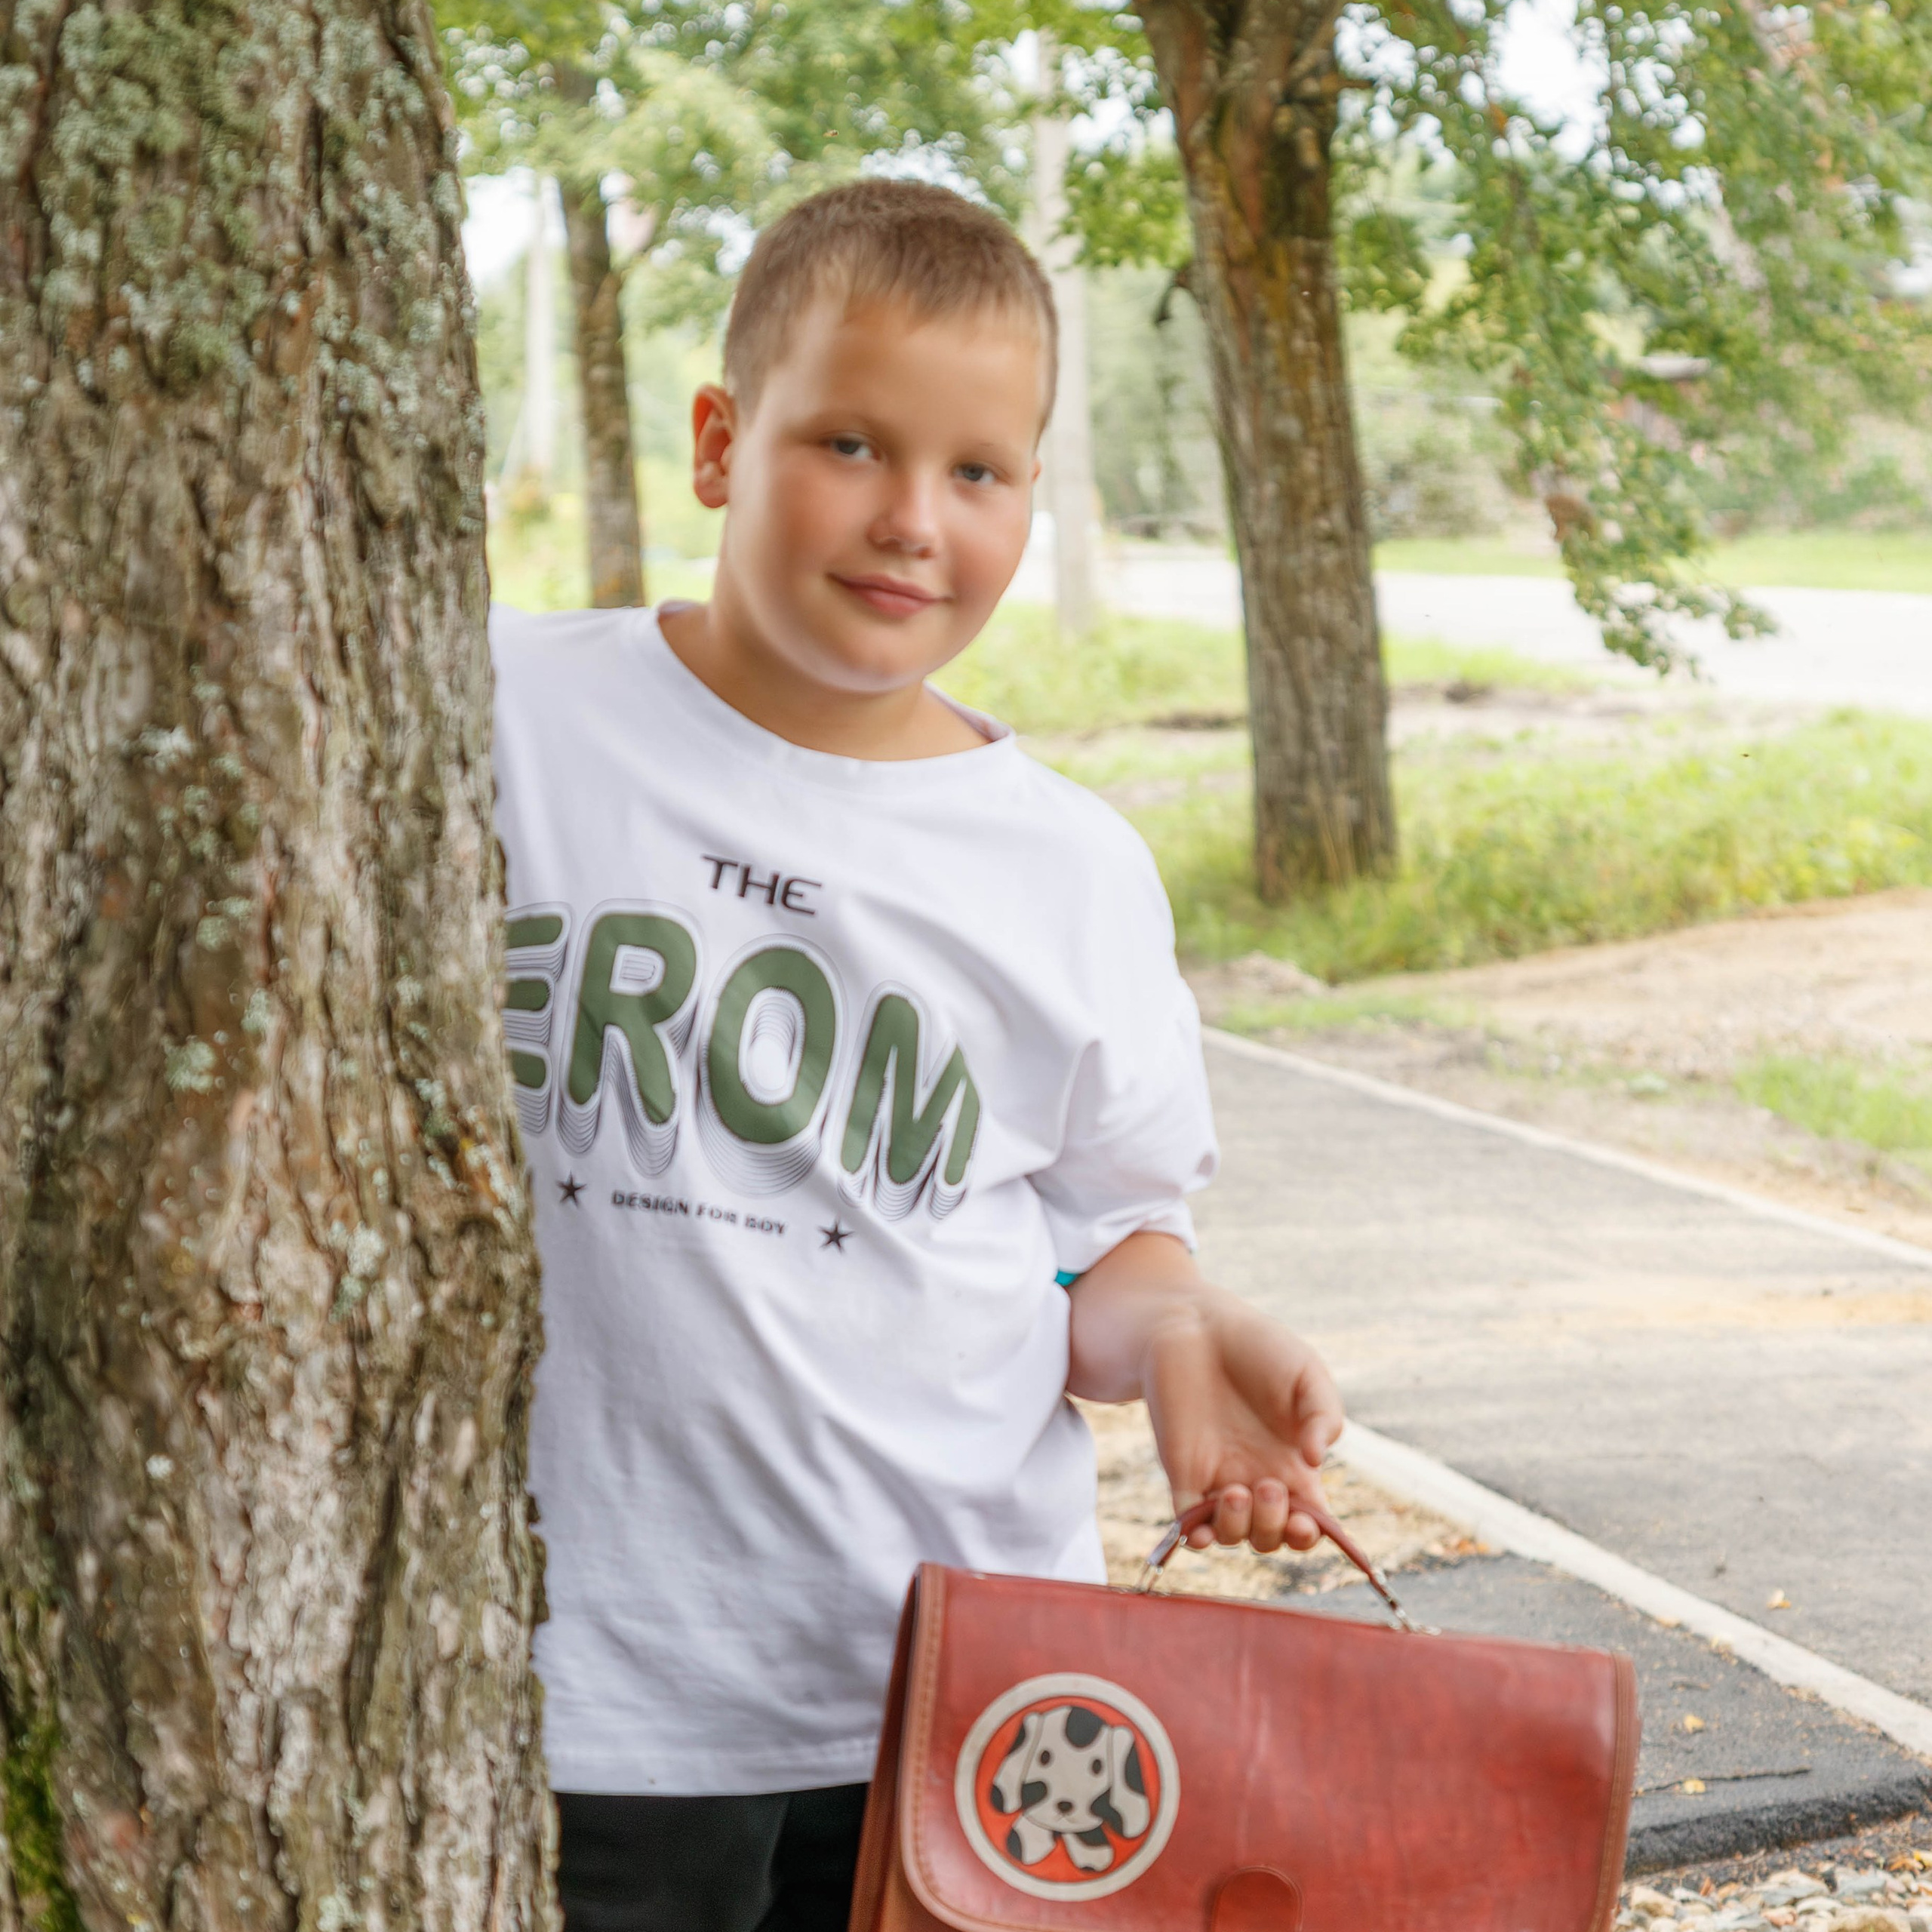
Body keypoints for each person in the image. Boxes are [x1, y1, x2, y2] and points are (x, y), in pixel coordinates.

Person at [489, 178, 1345, 1932]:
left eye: (976, 471)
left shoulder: (1067, 867)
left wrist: (1180, 1331)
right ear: (723, 438)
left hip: (949, 1697)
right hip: (582, 1693)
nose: (908, 521)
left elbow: (1105, 1246)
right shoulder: (501, 714)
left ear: (1032, 494)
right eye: (852, 444)